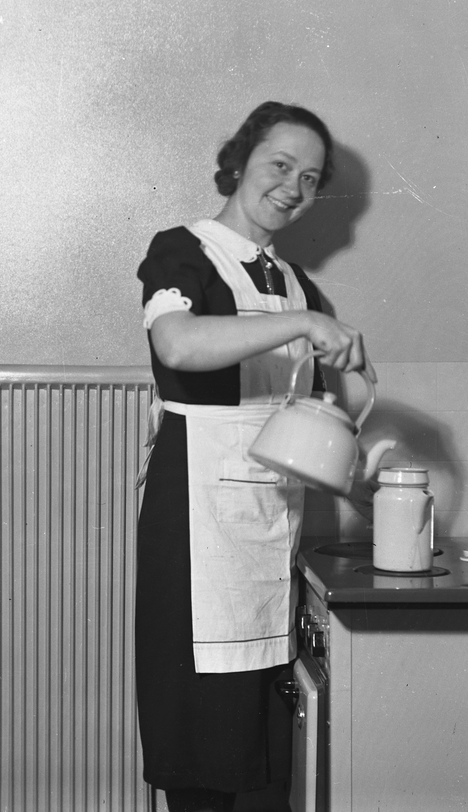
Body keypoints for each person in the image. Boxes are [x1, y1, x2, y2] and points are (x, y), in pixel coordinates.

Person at [135, 101, 374, 812]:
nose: (293, 187)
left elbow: (327, 415)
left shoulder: (295, 282)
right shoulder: (183, 251)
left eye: (310, 178)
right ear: (239, 162)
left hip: (270, 527)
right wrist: (305, 324)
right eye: (280, 164)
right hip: (197, 524)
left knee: (262, 746)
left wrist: (362, 453)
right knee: (201, 736)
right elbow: (177, 346)